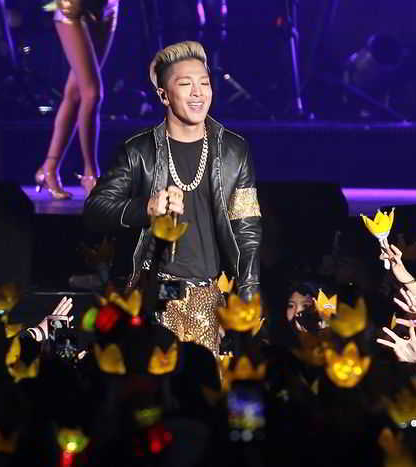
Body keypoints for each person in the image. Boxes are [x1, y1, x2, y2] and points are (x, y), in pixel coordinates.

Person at [83, 41, 261, 355]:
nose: (198, 93)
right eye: (186, 84)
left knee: (207, 381)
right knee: (157, 374)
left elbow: (246, 229)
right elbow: (96, 209)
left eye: (204, 83)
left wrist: (248, 298)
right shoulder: (138, 151)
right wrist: (146, 208)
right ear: (164, 95)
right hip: (156, 293)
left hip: (211, 297)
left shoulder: (234, 151)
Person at [35, 0, 120, 199]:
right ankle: (91, 175)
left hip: (108, 7)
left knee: (75, 93)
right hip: (73, 8)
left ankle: (48, 169)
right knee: (92, 93)